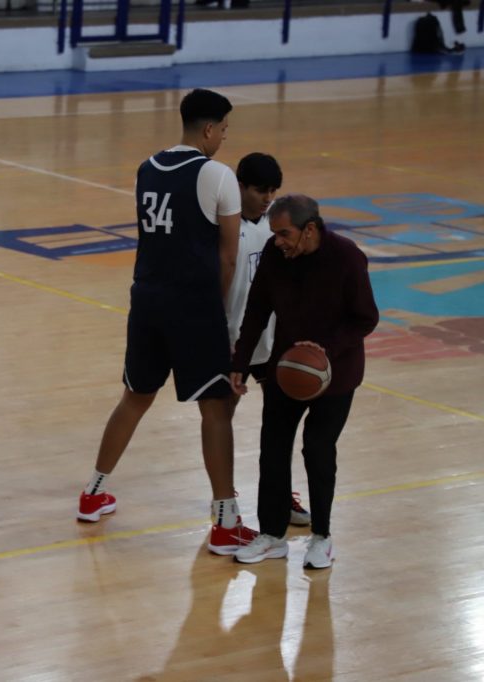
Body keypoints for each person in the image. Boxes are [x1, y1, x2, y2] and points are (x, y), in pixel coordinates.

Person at [76, 88, 256, 556]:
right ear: (209, 128)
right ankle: (225, 521)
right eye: (224, 129)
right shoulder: (217, 175)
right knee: (215, 406)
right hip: (192, 305)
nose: (224, 138)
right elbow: (229, 257)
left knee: (135, 397)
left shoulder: (147, 167)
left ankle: (93, 492)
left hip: (147, 298)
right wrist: (218, 312)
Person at [229, 194, 378, 568]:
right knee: (273, 447)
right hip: (287, 369)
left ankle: (322, 537)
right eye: (274, 233)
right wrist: (240, 362)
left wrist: (326, 349)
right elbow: (257, 308)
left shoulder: (347, 258)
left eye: (284, 233)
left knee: (318, 448)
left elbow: (366, 318)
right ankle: (272, 535)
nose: (277, 241)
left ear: (309, 229)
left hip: (335, 373)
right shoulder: (275, 254)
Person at [225, 153, 310, 528]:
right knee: (221, 419)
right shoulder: (223, 225)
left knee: (281, 424)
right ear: (240, 186)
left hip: (273, 340)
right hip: (232, 340)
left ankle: (281, 493)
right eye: (261, 190)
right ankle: (224, 495)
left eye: (273, 191)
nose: (268, 198)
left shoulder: (280, 228)